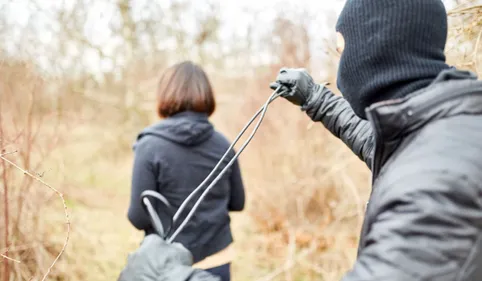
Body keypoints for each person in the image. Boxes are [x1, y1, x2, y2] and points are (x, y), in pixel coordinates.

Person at [271, 0, 482, 279]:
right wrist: (314, 97)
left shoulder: (436, 182)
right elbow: (374, 140)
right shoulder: (443, 129)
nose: (340, 69)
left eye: (343, 52)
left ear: (376, 48)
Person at [127, 60, 245, 281]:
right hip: (215, 262)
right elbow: (238, 202)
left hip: (164, 266)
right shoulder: (224, 145)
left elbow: (137, 216)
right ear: (207, 95)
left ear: (165, 95)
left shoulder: (149, 145)